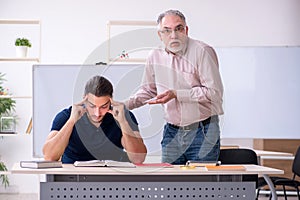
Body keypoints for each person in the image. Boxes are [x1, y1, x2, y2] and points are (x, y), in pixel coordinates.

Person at [125, 10, 223, 165]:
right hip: (172, 132)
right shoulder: (155, 56)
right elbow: (148, 91)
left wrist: (177, 94)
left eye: (178, 29)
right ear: (160, 35)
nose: (174, 35)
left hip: (202, 130)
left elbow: (214, 93)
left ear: (186, 30)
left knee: (202, 187)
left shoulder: (203, 51)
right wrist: (122, 106)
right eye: (167, 30)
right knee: (169, 185)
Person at [43, 75, 147, 164]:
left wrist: (123, 122)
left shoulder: (123, 116)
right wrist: (71, 121)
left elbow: (138, 158)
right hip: (73, 178)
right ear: (84, 99)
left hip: (111, 178)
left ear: (111, 101)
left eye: (103, 106)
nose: (97, 113)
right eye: (92, 106)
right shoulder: (66, 116)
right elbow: (49, 157)